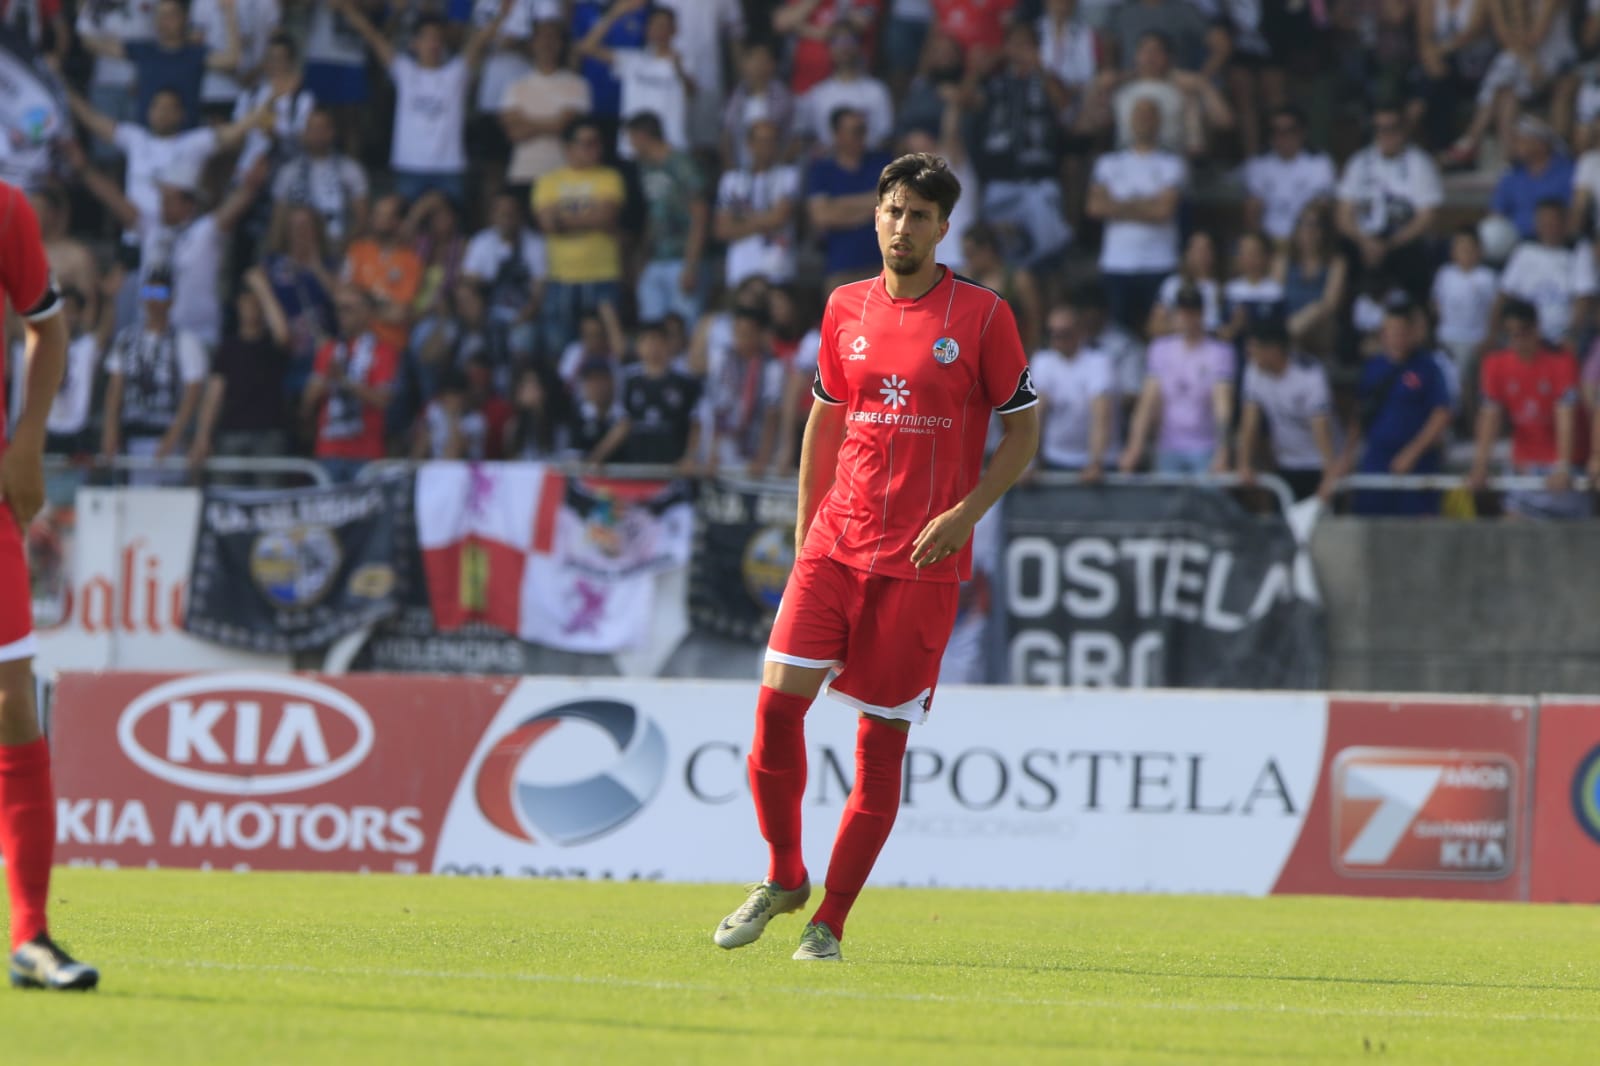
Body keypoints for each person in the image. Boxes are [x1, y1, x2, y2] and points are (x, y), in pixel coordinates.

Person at [712, 152, 1038, 963]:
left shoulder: (984, 315)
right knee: (774, 710)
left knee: (878, 744)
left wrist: (966, 515)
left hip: (922, 563)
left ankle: (831, 920)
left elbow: (1024, 432)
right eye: (893, 211)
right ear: (877, 216)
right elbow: (824, 422)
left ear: (943, 228)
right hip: (834, 545)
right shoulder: (842, 307)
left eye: (919, 216)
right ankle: (785, 876)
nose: (903, 226)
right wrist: (801, 537)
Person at [0, 179, 99, 991]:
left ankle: (31, 935)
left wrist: (27, 439)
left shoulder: (6, 208)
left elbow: (47, 329)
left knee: (10, 702)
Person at [329, 0, 512, 204]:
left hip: (448, 169)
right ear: (414, 43)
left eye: (438, 39)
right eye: (427, 38)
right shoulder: (404, 71)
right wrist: (347, 8)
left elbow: (479, 41)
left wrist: (503, 15)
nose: (433, 44)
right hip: (409, 167)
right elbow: (373, 37)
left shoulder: (456, 74)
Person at [1469, 298, 1588, 518]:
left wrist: (1563, 466)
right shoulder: (1495, 364)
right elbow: (1490, 417)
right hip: (1525, 464)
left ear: (1536, 329)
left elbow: (1565, 415)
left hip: (1563, 464)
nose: (1517, 340)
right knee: (1511, 523)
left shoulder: (1561, 361)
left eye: (1523, 332)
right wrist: (1480, 465)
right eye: (1510, 334)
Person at [1087, 96, 1187, 333]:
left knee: (1160, 332)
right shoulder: (1108, 163)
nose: (1144, 120)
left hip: (1160, 261)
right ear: (1129, 121)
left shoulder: (1171, 163)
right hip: (1117, 262)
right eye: (1139, 114)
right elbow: (1095, 207)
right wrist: (1146, 203)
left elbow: (1164, 210)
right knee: (1120, 335)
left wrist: (1119, 204)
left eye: (1149, 114)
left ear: (1159, 121)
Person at [99, 267, 209, 481]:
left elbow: (193, 393)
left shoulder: (185, 342)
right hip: (131, 435)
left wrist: (173, 437)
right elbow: (115, 389)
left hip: (166, 435)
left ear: (171, 299)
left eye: (159, 295)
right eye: (149, 294)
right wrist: (110, 430)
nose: (153, 302)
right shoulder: (126, 339)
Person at [1351, 296, 1454, 516]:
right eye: (1391, 330)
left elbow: (1441, 414)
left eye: (1401, 330)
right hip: (1377, 457)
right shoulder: (1373, 368)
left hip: (1417, 462)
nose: (1397, 336)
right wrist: (1347, 456)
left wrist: (1412, 453)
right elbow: (1360, 414)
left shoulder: (1428, 367)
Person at [533, 117, 626, 360]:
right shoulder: (548, 181)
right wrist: (589, 216)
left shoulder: (610, 177)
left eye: (596, 142)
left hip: (603, 275)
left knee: (607, 351)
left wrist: (564, 218)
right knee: (559, 351)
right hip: (561, 278)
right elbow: (548, 224)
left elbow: (607, 217)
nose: (594, 148)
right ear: (568, 148)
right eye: (586, 143)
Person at [1120, 284, 1235, 474]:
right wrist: (1134, 447)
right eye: (1182, 311)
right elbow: (1147, 402)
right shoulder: (1159, 349)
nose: (1186, 317)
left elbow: (1222, 405)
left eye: (1191, 311)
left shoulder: (1220, 352)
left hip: (1204, 447)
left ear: (1201, 313)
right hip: (1168, 446)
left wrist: (1223, 452)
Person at [1336, 102, 1444, 301]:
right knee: (1340, 255)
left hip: (1402, 241)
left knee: (1416, 256)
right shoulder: (1359, 162)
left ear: (1403, 130)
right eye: (1379, 128)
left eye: (1392, 128)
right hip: (1364, 241)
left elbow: (1428, 216)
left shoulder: (1420, 163)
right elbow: (1343, 216)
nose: (1385, 134)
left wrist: (1390, 244)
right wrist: (1365, 242)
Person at [191, 268, 293, 469]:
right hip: (231, 431)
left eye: (257, 302)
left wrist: (263, 289)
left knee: (269, 499)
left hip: (269, 433)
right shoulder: (228, 348)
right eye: (247, 301)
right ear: (238, 304)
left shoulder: (272, 343)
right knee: (227, 497)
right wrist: (203, 435)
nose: (251, 307)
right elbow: (214, 393)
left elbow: (283, 334)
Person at [1235, 319, 1341, 501]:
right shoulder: (1254, 372)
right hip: (1284, 463)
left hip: (1317, 462)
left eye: (1255, 348)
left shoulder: (1309, 374)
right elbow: (1249, 421)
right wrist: (1244, 463)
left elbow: (1320, 425)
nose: (1250, 353)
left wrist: (1329, 473)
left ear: (1273, 349)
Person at [576, 0, 695, 160]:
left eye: (665, 26)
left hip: (670, 149)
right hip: (633, 150)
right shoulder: (632, 60)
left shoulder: (683, 61)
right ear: (647, 29)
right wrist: (615, 13)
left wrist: (679, 70)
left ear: (674, 30)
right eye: (655, 25)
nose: (660, 31)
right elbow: (586, 47)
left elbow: (692, 93)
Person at [302, 287, 399, 483]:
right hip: (329, 451)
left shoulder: (384, 351)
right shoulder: (328, 350)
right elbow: (307, 405)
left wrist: (345, 381)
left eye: (349, 309)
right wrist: (321, 384)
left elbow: (383, 400)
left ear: (367, 312)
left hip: (366, 453)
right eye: (339, 309)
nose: (341, 315)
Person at [626, 111, 708, 326]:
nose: (630, 146)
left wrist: (691, 265)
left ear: (642, 136)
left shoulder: (682, 165)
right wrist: (642, 258)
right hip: (655, 260)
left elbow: (700, 215)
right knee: (652, 328)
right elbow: (654, 214)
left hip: (682, 258)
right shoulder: (645, 168)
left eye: (631, 139)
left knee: (684, 326)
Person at [588, 320, 703, 466]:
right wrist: (596, 456)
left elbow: (695, 423)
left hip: (673, 468)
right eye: (646, 341)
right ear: (638, 347)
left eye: (657, 341)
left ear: (667, 344)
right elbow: (624, 424)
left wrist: (690, 457)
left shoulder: (685, 382)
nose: (652, 347)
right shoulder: (629, 381)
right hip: (638, 467)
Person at [500, 20, 592, 201]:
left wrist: (527, 122)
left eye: (553, 38)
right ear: (532, 43)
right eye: (541, 38)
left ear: (561, 44)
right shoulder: (516, 86)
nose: (547, 43)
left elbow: (567, 128)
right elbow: (514, 134)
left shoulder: (577, 85)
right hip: (523, 173)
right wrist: (554, 122)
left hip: (565, 174)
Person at [806, 108, 893, 294]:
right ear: (838, 134)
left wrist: (838, 205)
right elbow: (821, 216)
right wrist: (872, 206)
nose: (860, 136)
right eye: (854, 131)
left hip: (882, 267)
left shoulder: (882, 163)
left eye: (862, 130)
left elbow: (893, 204)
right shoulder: (822, 170)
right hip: (841, 270)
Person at [1030, 303, 1117, 477]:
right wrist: (1028, 463)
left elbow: (1101, 413)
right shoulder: (1042, 361)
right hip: (1055, 457)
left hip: (1097, 462)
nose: (1058, 339)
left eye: (1064, 334)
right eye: (1052, 334)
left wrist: (1096, 462)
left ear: (1079, 331)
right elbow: (1036, 413)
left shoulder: (1098, 361)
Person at [715, 119, 801, 289]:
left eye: (771, 141)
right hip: (740, 271)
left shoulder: (790, 175)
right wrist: (767, 218)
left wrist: (740, 219)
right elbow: (722, 229)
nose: (766, 146)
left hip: (778, 270)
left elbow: (779, 218)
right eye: (761, 141)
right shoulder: (731, 180)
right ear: (749, 144)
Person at [1243, 106, 1336, 248]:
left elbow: (1322, 206)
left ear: (1302, 133)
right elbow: (1252, 210)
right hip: (1269, 242)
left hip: (1306, 242)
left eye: (1289, 130)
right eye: (1276, 131)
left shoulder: (1319, 163)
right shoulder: (1259, 164)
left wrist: (1298, 238)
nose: (1282, 136)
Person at [1490, 116, 1575, 241]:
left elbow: (1573, 213)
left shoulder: (1567, 172)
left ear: (1541, 144)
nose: (1515, 146)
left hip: (1554, 242)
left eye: (1520, 140)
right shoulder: (1512, 175)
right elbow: (1497, 213)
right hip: (1516, 244)